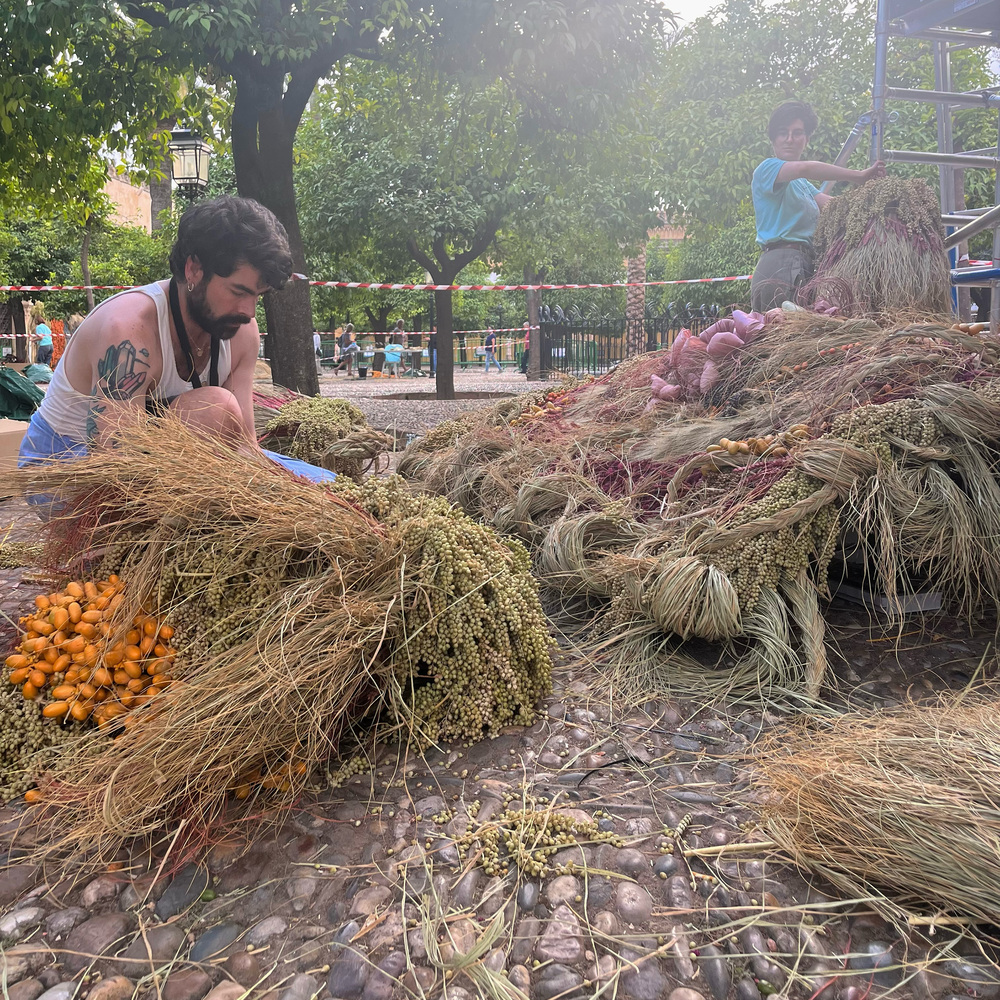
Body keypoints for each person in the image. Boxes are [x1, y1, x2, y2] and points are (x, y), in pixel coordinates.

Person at [18, 195, 335, 484]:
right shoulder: (129, 331)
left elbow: (244, 445)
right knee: (216, 408)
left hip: (156, 450)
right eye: (238, 292)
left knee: (326, 486)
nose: (249, 312)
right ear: (194, 269)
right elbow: (116, 470)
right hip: (66, 460)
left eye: (258, 296)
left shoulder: (241, 332)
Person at [751, 101, 886, 313]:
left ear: (806, 139)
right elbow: (806, 167)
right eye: (782, 133)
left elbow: (836, 207)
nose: (789, 139)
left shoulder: (802, 185)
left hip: (804, 264)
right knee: (782, 337)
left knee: (803, 337)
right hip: (780, 265)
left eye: (797, 133)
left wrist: (878, 201)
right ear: (773, 139)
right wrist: (859, 176)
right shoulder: (767, 169)